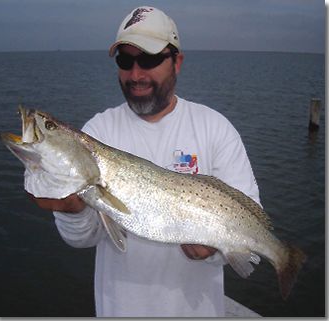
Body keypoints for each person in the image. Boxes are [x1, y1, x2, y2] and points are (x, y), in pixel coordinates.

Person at [30, 6, 260, 317]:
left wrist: (213, 252)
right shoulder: (98, 130)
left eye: (149, 59)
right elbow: (84, 238)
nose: (136, 74)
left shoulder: (215, 128)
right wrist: (72, 209)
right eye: (126, 60)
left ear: (176, 62)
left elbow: (248, 222)